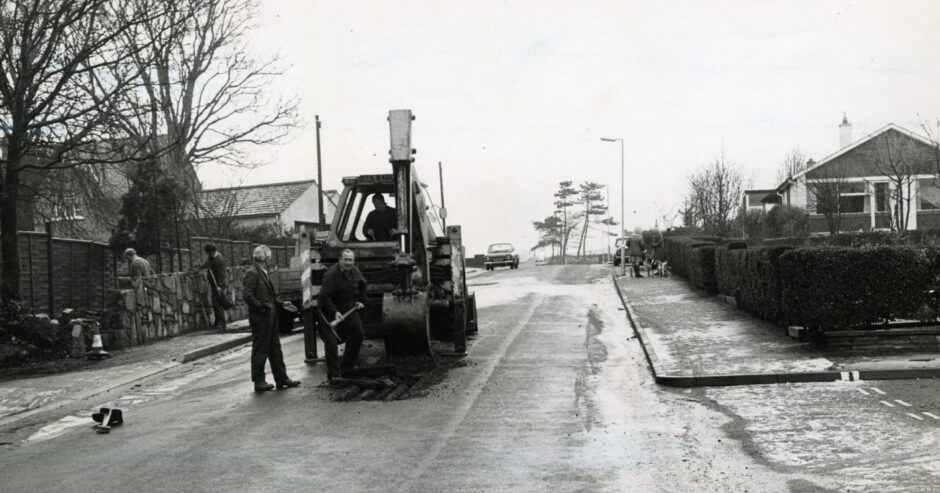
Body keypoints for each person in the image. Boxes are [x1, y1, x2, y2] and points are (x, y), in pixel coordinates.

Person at [243, 245, 300, 392]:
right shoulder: (253, 273)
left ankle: (282, 379)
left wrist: (281, 304)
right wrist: (261, 307)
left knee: (275, 349)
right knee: (260, 350)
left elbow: (269, 297)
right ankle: (259, 381)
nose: (271, 260)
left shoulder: (262, 272)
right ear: (266, 258)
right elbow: (247, 295)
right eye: (270, 258)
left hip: (270, 317)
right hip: (261, 318)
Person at [317, 248, 366, 382]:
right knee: (331, 342)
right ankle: (334, 375)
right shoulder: (331, 275)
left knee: (358, 334)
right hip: (329, 311)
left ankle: (347, 366)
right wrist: (334, 312)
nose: (348, 263)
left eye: (351, 260)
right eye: (346, 260)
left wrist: (361, 300)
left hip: (349, 308)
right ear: (340, 260)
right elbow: (324, 297)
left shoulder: (355, 271)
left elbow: (363, 285)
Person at [203, 243, 228, 332]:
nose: (208, 255)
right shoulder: (211, 258)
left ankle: (221, 323)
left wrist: (220, 286)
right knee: (215, 303)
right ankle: (218, 322)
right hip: (214, 284)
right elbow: (207, 264)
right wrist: (200, 267)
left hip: (219, 285)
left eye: (208, 253)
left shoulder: (219, 260)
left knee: (218, 304)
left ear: (213, 251)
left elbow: (221, 274)